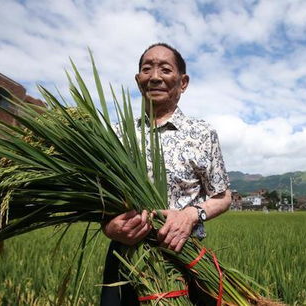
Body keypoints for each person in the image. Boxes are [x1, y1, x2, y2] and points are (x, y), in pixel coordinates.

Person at [100, 43, 231, 305]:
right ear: (139, 81)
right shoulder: (116, 135)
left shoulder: (202, 134)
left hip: (185, 254)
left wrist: (191, 215)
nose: (155, 76)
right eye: (146, 69)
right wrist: (109, 226)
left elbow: (223, 196)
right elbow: (101, 198)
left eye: (165, 69)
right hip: (127, 256)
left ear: (183, 82)